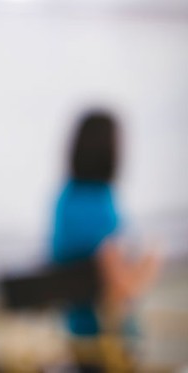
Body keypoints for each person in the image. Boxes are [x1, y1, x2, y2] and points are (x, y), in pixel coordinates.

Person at [50, 110, 161, 370]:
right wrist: (151, 261)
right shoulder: (101, 204)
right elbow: (121, 289)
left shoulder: (64, 199)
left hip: (77, 335)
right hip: (107, 342)